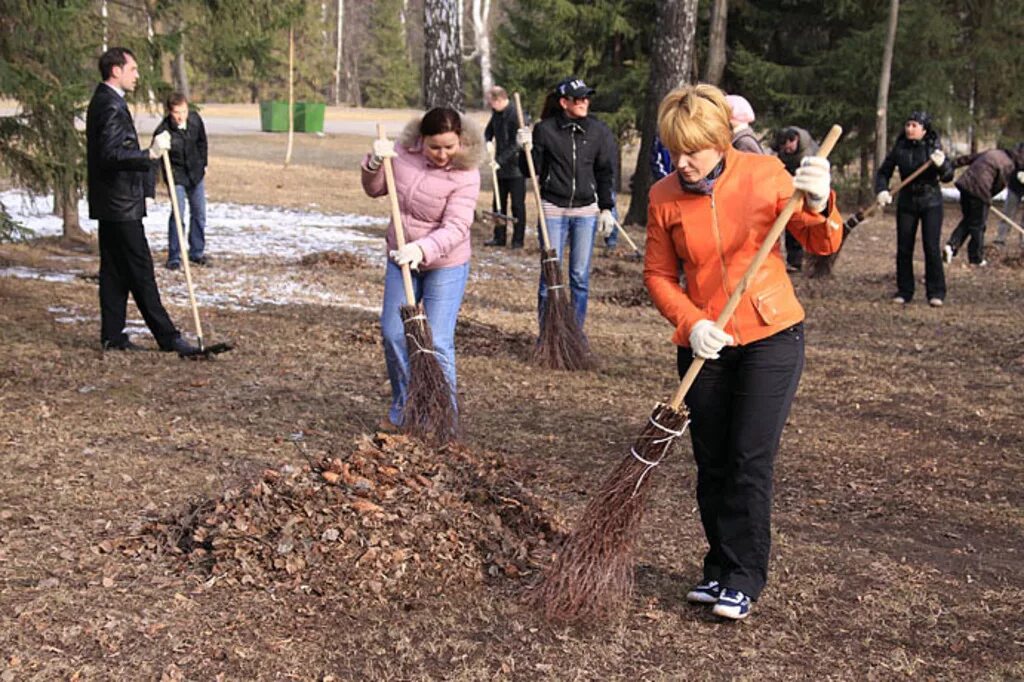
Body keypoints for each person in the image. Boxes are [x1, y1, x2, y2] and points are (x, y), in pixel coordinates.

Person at [643, 84, 842, 620]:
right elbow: (659, 275)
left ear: (721, 141)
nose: (681, 163)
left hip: (771, 336)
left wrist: (822, 202)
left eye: (693, 152)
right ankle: (720, 567)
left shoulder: (765, 175)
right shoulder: (663, 196)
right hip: (707, 341)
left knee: (749, 458)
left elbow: (823, 243)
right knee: (711, 460)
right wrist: (691, 322)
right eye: (672, 151)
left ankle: (745, 578)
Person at [361, 107, 481, 428]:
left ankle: (442, 417)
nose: (442, 154)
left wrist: (422, 249)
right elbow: (374, 189)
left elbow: (457, 226)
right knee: (394, 333)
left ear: (461, 141)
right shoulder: (402, 154)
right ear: (421, 141)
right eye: (434, 147)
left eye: (449, 147)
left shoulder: (467, 174)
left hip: (446, 262)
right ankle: (406, 408)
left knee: (438, 340)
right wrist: (374, 163)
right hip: (401, 258)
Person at [86, 47, 197, 355]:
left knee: (114, 271)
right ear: (116, 71)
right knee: (140, 270)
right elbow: (110, 155)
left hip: (112, 202)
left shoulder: (106, 100)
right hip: (120, 204)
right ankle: (169, 337)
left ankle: (112, 335)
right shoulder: (109, 105)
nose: (137, 75)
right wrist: (148, 153)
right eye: (132, 69)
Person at [516, 76, 617, 330]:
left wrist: (606, 207)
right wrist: (525, 149)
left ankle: (575, 334)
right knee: (550, 275)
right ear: (564, 102)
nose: (585, 102)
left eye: (586, 97)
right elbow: (531, 170)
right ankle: (548, 334)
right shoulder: (546, 130)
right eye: (578, 98)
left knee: (580, 277)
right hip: (552, 209)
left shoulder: (598, 131)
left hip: (585, 211)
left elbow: (605, 171)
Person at [875, 110, 954, 306]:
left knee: (931, 247)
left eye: (914, 126)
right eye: (908, 125)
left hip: (931, 202)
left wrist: (942, 165)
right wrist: (882, 190)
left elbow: (948, 176)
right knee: (904, 247)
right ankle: (904, 290)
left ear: (924, 130)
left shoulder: (933, 148)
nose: (910, 129)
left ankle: (936, 292)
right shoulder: (900, 147)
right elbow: (883, 172)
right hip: (907, 201)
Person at [153, 92, 209, 270]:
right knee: (178, 215)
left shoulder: (195, 121)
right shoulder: (163, 131)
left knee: (199, 213)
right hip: (176, 176)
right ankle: (174, 257)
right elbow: (155, 156)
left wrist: (203, 163)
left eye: (183, 111)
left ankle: (197, 252)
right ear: (170, 112)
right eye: (177, 112)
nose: (181, 116)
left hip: (195, 174)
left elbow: (202, 142)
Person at [945, 143, 1024, 266]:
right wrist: (987, 199)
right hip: (979, 190)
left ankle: (951, 246)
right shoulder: (1009, 166)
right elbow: (998, 184)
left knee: (969, 220)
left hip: (965, 185)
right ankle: (976, 258)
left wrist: (952, 164)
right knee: (978, 226)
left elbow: (970, 158)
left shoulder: (995, 152)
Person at [483, 86, 527, 249]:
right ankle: (499, 237)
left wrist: (500, 160)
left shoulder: (517, 115)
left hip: (516, 168)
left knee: (517, 205)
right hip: (500, 169)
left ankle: (517, 240)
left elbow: (517, 144)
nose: (490, 106)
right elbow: (489, 131)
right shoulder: (496, 114)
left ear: (499, 100)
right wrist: (488, 141)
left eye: (491, 103)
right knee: (498, 203)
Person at [772, 126, 820, 272]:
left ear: (796, 140)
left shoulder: (807, 153)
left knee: (802, 224)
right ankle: (794, 261)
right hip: (790, 188)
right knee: (789, 225)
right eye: (784, 146)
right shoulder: (783, 151)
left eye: (789, 145)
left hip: (807, 188)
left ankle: (805, 260)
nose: (787, 149)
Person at [993, 145, 1024, 252]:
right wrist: (1019, 172)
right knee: (1007, 214)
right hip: (1015, 186)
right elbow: (1012, 161)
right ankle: (1000, 239)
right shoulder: (1019, 148)